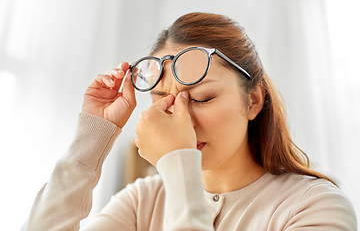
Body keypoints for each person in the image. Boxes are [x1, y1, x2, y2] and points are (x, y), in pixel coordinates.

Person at [21, 12, 357, 231]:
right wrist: (91, 139)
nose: (178, 117)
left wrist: (179, 163)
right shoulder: (144, 200)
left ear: (254, 99)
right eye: (160, 98)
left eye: (201, 98)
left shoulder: (314, 206)